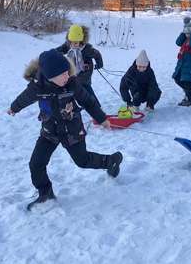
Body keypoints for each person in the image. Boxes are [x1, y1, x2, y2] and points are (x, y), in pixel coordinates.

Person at [7, 49, 120, 207]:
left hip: (71, 130)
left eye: (67, 72)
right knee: (36, 164)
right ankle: (45, 193)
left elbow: (88, 101)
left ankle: (110, 161)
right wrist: (14, 108)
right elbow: (25, 98)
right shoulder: (37, 87)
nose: (68, 76)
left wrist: (101, 119)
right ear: (50, 76)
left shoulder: (72, 84)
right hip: (49, 132)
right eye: (63, 74)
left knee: (82, 160)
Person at [56, 24, 103, 106]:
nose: (73, 45)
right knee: (71, 88)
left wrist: (99, 64)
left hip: (85, 72)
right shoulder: (68, 45)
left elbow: (97, 54)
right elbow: (59, 51)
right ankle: (75, 107)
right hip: (73, 71)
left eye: (76, 43)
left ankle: (97, 107)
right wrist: (50, 55)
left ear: (81, 41)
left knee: (86, 88)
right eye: (71, 42)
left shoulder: (87, 49)